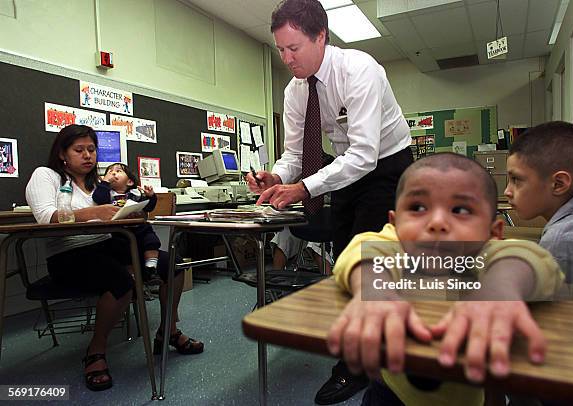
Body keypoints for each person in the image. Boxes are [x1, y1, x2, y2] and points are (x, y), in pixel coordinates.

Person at [247, 1, 414, 401]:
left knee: (369, 266)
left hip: (387, 166)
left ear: (321, 36)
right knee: (343, 264)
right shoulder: (295, 90)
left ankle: (364, 366)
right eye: (281, 50)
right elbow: (293, 155)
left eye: (294, 48)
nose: (287, 59)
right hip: (346, 169)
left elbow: (365, 155)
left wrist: (304, 188)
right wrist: (279, 176)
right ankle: (361, 353)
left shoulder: (360, 70)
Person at [327, 153, 564, 405]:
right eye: (418, 208)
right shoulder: (396, 246)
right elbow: (365, 248)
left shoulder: (487, 255)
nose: (437, 222)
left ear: (492, 232)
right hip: (390, 394)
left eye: (460, 210)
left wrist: (502, 286)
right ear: (395, 224)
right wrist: (373, 289)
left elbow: (534, 260)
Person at [25, 124, 203, 392]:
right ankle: (96, 351)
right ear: (62, 153)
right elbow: (45, 217)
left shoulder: (98, 184)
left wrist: (128, 211)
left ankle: (168, 332)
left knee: (172, 265)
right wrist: (98, 213)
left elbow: (112, 214)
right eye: (79, 150)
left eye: (92, 150)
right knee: (122, 282)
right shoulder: (46, 176)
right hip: (68, 253)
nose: (88, 156)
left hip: (106, 244)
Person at [504, 121, 573, 287]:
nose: (507, 191)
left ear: (558, 184)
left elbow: (546, 307)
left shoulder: (562, 240)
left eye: (516, 180)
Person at [92, 162, 161, 284]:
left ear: (129, 182)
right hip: (119, 231)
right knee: (122, 249)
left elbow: (148, 207)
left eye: (118, 171)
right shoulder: (107, 194)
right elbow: (99, 199)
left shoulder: (135, 193)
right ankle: (131, 276)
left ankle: (151, 267)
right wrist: (105, 183)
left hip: (138, 228)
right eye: (109, 172)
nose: (113, 173)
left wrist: (151, 196)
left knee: (151, 239)